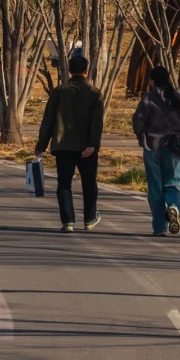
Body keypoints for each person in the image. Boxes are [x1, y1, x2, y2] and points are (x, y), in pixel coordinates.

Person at [35, 53, 104, 232]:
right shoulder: (94, 93)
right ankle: (89, 219)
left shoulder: (59, 91)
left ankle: (68, 221)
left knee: (64, 183)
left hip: (63, 145)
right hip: (87, 147)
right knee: (89, 183)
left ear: (70, 70)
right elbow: (97, 123)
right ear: (87, 70)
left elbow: (48, 120)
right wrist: (93, 145)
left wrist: (41, 145)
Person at [132, 64, 180, 236]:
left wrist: (141, 136)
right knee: (173, 184)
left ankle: (160, 228)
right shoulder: (177, 98)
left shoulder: (148, 99)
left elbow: (137, 121)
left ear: (152, 81)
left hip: (152, 147)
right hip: (174, 148)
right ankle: (174, 207)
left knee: (155, 188)